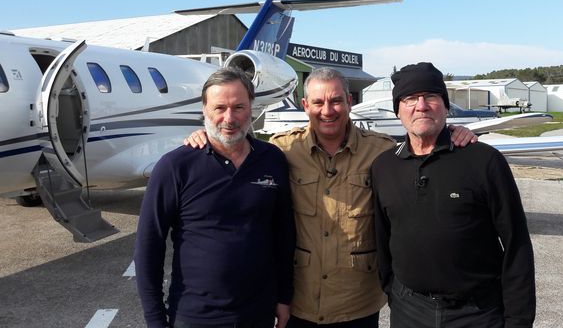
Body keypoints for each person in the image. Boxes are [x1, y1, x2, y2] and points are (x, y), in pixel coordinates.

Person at [185, 67, 477, 327]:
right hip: (301, 302)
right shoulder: (282, 150)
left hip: (357, 303)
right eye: (318, 102)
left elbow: (422, 150)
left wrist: (452, 133)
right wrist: (205, 137)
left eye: (336, 100)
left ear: (350, 101)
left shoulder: (381, 151)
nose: (328, 110)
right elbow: (235, 145)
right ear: (305, 105)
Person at [371, 62, 536, 328]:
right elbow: (382, 236)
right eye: (410, 98)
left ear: (446, 106)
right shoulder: (383, 167)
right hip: (409, 311)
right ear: (398, 110)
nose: (421, 106)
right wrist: (392, 290)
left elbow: (516, 244)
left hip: (477, 313)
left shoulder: (484, 162)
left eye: (431, 97)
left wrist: (518, 320)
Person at [135, 67, 295, 328]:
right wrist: (155, 320)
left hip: (258, 314)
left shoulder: (272, 159)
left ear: (252, 107)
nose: (229, 118)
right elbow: (148, 247)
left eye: (238, 107)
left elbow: (284, 235)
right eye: (219, 108)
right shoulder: (176, 166)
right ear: (204, 110)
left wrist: (284, 297)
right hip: (195, 317)